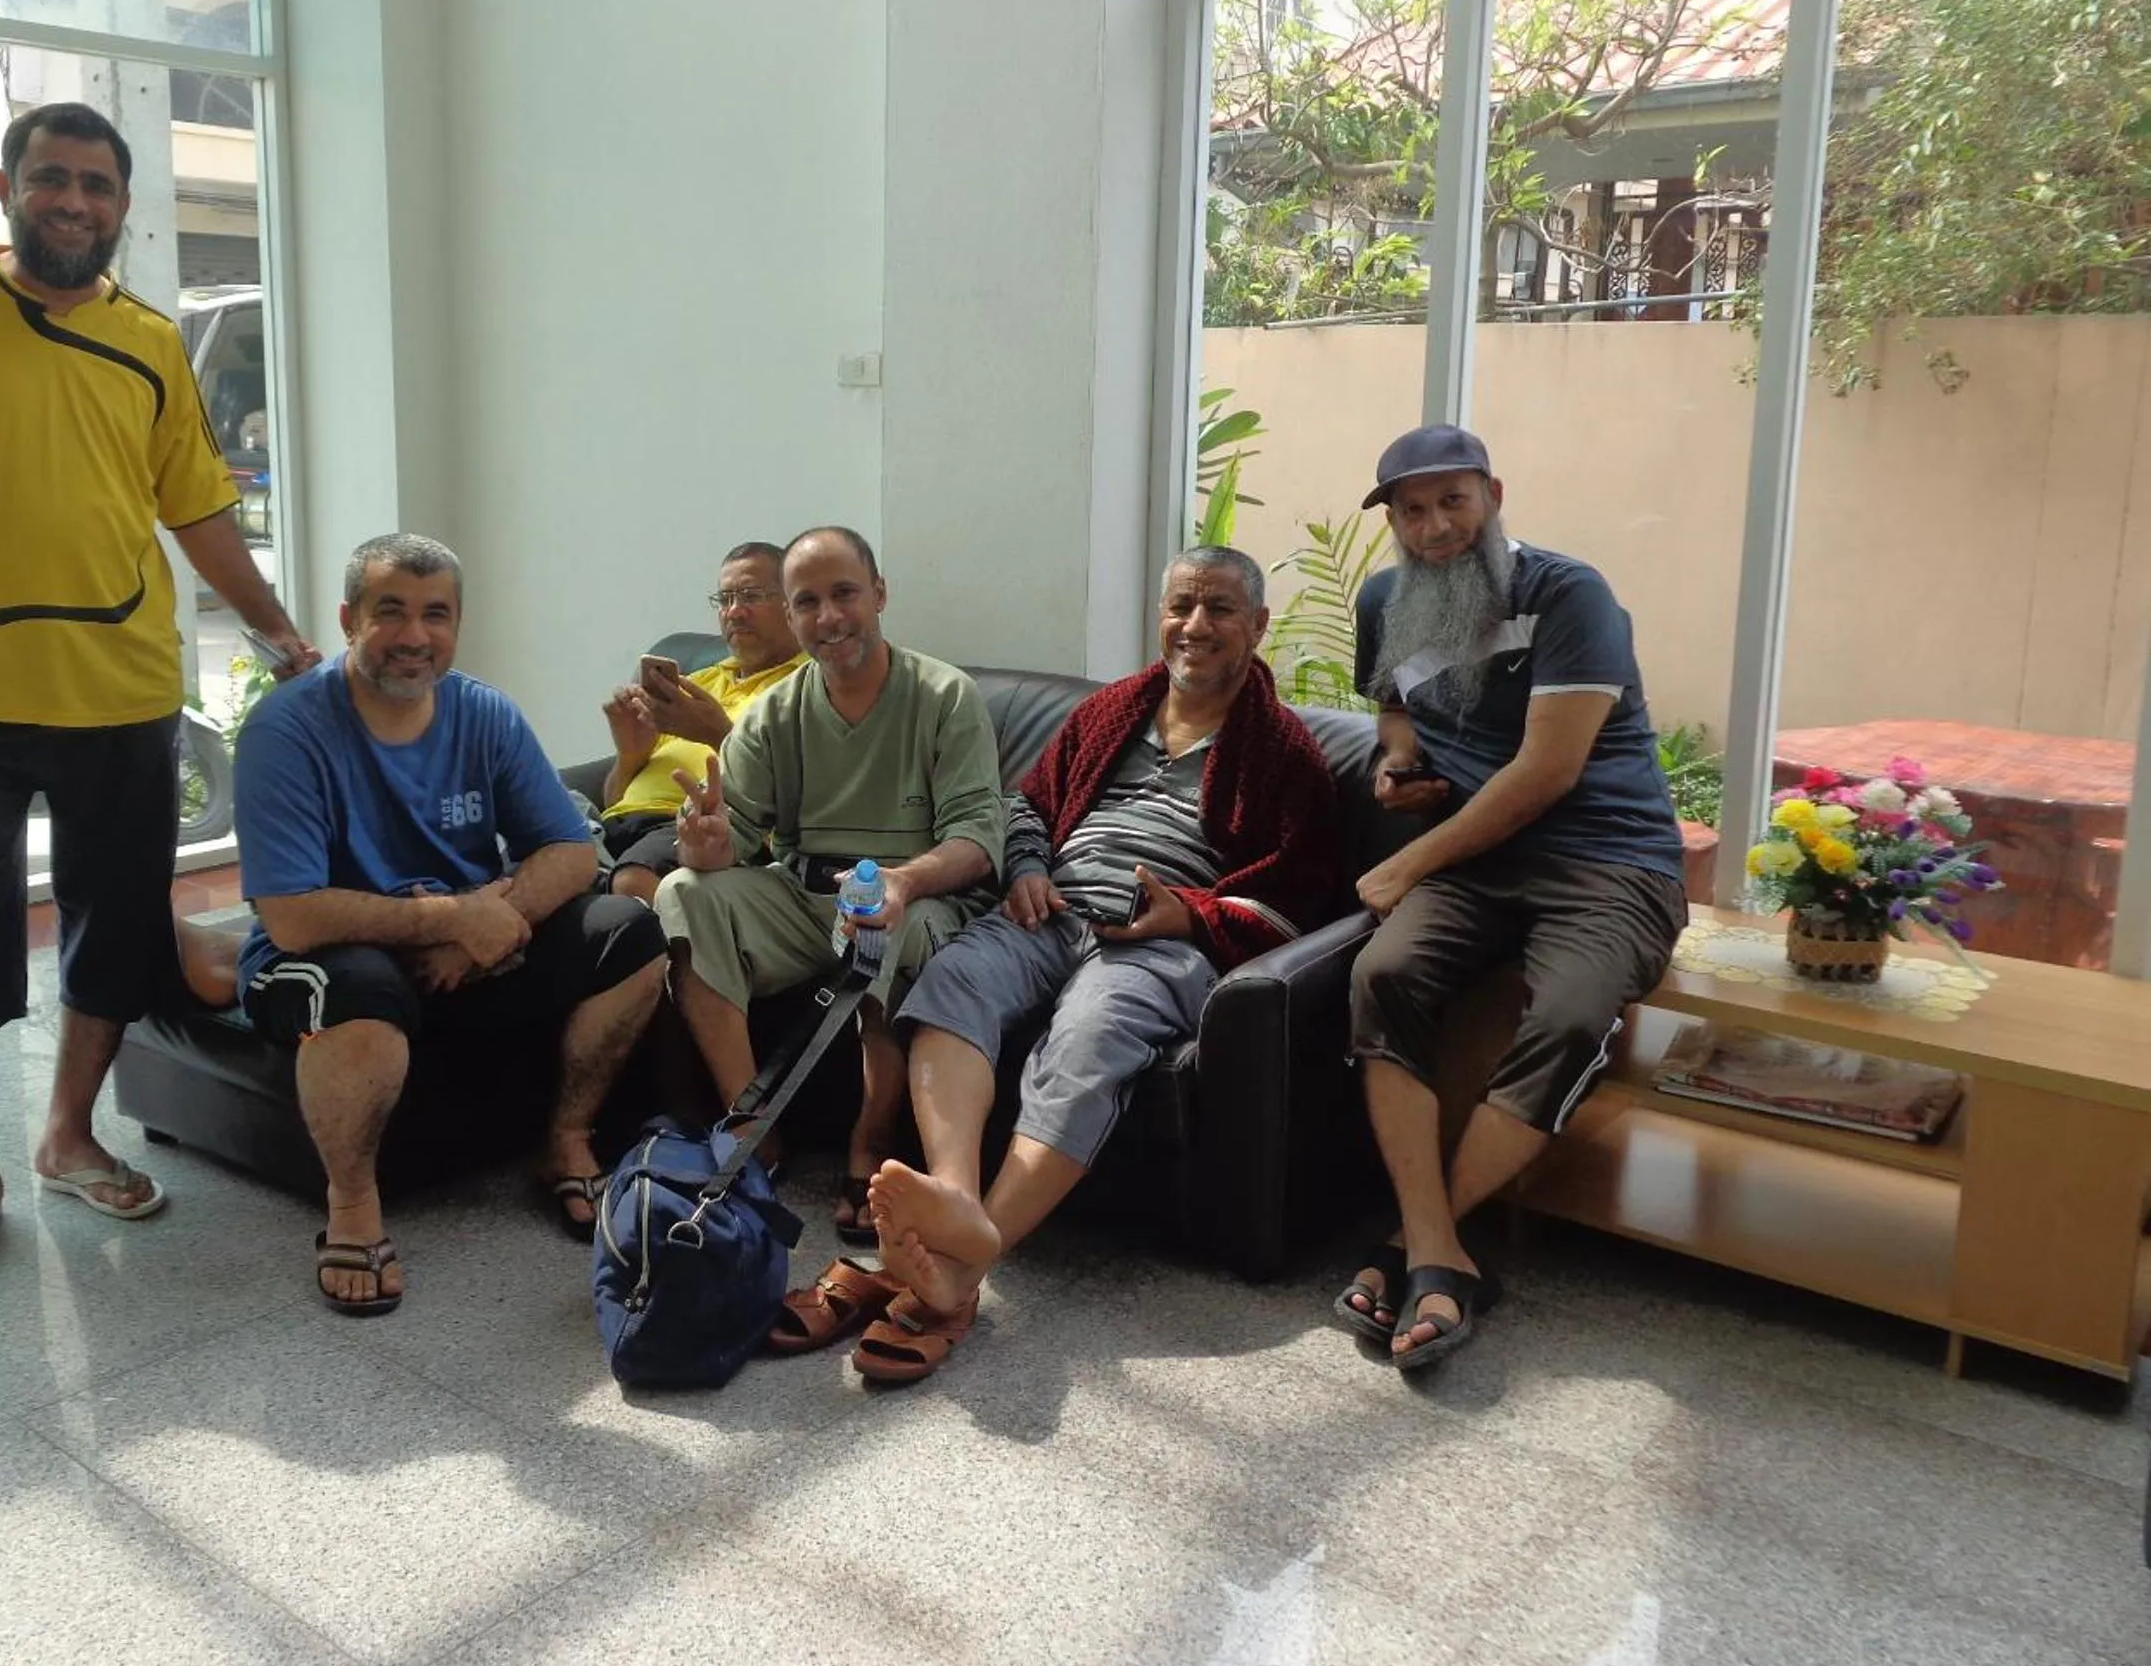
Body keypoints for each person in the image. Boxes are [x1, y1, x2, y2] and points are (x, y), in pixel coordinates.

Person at [0, 101, 321, 1286]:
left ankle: (69, 1136)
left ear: (124, 208)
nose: (73, 201)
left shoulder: (151, 342)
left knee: (116, 925)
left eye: (95, 184)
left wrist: (278, 628)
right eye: (51, 179)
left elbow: (196, 510)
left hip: (119, 694)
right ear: (5, 188)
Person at [844, 548, 1343, 1381]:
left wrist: (1190, 913)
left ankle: (967, 1264)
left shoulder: (1286, 754)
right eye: (1182, 605)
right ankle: (958, 1199)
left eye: (1220, 609)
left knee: (1087, 1040)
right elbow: (1028, 806)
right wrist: (1031, 868)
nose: (1196, 626)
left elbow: (1302, 893)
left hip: (1165, 939)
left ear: (1258, 627)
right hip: (1056, 903)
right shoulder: (1113, 710)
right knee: (954, 981)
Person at [1330, 426, 1687, 1370]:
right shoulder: (1383, 600)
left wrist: (1408, 864)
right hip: (1480, 863)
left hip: (1609, 860)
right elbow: (1395, 704)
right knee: (1383, 974)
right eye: (1412, 510)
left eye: (1453, 501)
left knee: (1570, 1017)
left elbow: (1547, 770)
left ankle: (1413, 1244)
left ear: (1492, 494)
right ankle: (1441, 1250)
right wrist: (1400, 761)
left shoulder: (1569, 594)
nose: (1435, 525)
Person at [234, 535, 665, 1315]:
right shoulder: (284, 731)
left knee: (630, 934)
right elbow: (294, 918)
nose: (414, 635)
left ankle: (567, 1137)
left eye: (436, 614)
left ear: (457, 625)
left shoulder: (482, 712)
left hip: (463, 949)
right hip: (328, 954)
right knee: (357, 991)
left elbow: (569, 851)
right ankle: (354, 1207)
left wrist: (485, 925)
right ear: (347, 619)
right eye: (390, 611)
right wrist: (453, 917)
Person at [654, 526, 1004, 1241]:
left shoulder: (944, 695)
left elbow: (978, 840)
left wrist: (903, 882)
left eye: (844, 593)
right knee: (682, 894)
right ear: (790, 616)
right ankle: (753, 1126)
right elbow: (740, 838)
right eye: (806, 602)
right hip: (801, 895)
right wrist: (709, 848)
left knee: (880, 915)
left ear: (878, 594)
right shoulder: (773, 715)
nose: (829, 617)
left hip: (915, 898)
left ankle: (869, 1143)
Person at [595, 542, 805, 901]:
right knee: (541, 848)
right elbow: (613, 799)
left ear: (791, 604)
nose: (734, 612)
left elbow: (798, 798)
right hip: (615, 827)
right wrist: (629, 754)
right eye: (724, 600)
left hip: (696, 828)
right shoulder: (696, 682)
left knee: (632, 880)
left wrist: (716, 733)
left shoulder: (806, 685)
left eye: (750, 596)